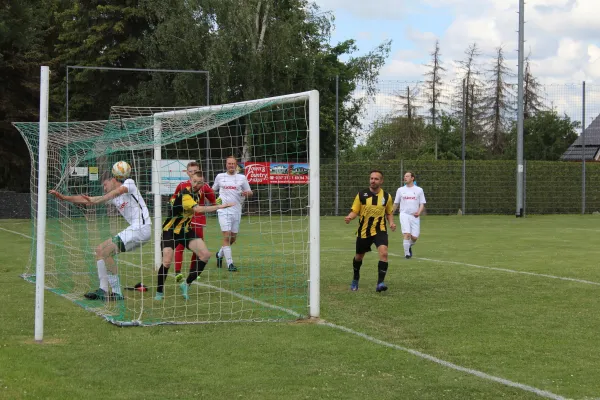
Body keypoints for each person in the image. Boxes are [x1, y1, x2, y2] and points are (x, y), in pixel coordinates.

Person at [49, 171, 151, 301]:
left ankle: (117, 292)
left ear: (113, 179)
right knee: (99, 251)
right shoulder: (113, 197)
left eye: (105, 184)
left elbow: (117, 192)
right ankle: (103, 290)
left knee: (106, 252)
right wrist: (64, 198)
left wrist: (102, 198)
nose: (104, 188)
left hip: (141, 228)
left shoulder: (129, 183)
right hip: (136, 231)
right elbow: (88, 200)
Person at [155, 171, 234, 301]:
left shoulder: (199, 194)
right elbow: (198, 210)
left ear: (203, 184)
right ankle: (159, 292)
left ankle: (186, 284)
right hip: (170, 230)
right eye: (195, 181)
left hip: (185, 230)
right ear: (190, 180)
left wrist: (217, 201)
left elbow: (209, 200)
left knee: (205, 255)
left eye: (200, 182)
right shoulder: (185, 194)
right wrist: (221, 206)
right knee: (167, 260)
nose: (197, 184)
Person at [344, 170, 396, 292]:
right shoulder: (361, 195)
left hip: (380, 229)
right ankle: (355, 279)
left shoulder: (387, 196)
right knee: (358, 257)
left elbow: (389, 212)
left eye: (376, 179)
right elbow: (355, 211)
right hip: (364, 231)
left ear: (381, 181)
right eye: (371, 178)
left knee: (384, 253)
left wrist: (392, 223)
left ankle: (380, 283)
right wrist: (350, 217)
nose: (373, 180)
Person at [170, 161, 217, 283]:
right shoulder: (182, 185)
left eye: (195, 171)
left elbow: (213, 199)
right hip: (184, 221)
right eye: (190, 171)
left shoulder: (204, 186)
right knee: (180, 246)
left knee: (198, 249)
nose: (193, 173)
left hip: (198, 221)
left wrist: (217, 203)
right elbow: (173, 198)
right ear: (187, 172)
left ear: (199, 172)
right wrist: (174, 203)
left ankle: (193, 272)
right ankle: (178, 272)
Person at [211, 156, 253, 272]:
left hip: (236, 211)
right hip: (223, 211)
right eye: (229, 163)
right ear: (226, 164)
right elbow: (212, 190)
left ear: (236, 165)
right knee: (226, 235)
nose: (231, 165)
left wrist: (246, 193)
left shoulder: (242, 178)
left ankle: (219, 255)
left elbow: (250, 192)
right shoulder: (220, 177)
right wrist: (214, 201)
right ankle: (230, 264)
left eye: (233, 163)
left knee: (232, 238)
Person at [392, 171, 426, 259]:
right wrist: (390, 214)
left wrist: (419, 212)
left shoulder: (419, 190)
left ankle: (408, 246)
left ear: (412, 178)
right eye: (404, 176)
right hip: (404, 215)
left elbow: (422, 203)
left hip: (414, 216)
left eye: (407, 176)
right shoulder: (400, 190)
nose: (405, 178)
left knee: (414, 237)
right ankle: (407, 255)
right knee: (407, 234)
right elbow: (396, 204)